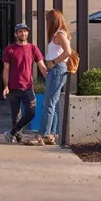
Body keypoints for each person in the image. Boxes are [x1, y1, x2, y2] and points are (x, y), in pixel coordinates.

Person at [1, 22, 46, 144]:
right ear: (16, 34)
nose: (23, 33)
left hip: (28, 87)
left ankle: (11, 133)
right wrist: (6, 86)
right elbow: (6, 69)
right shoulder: (10, 49)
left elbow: (41, 66)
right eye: (20, 31)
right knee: (15, 115)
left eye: (25, 31)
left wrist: (49, 77)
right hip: (13, 88)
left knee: (31, 113)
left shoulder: (33, 48)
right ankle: (18, 137)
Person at [33, 9, 73, 146]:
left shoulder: (60, 34)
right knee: (53, 103)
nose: (46, 22)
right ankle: (52, 134)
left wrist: (53, 62)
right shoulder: (59, 34)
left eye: (47, 19)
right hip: (56, 69)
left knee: (48, 102)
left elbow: (68, 52)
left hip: (57, 69)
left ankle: (42, 134)